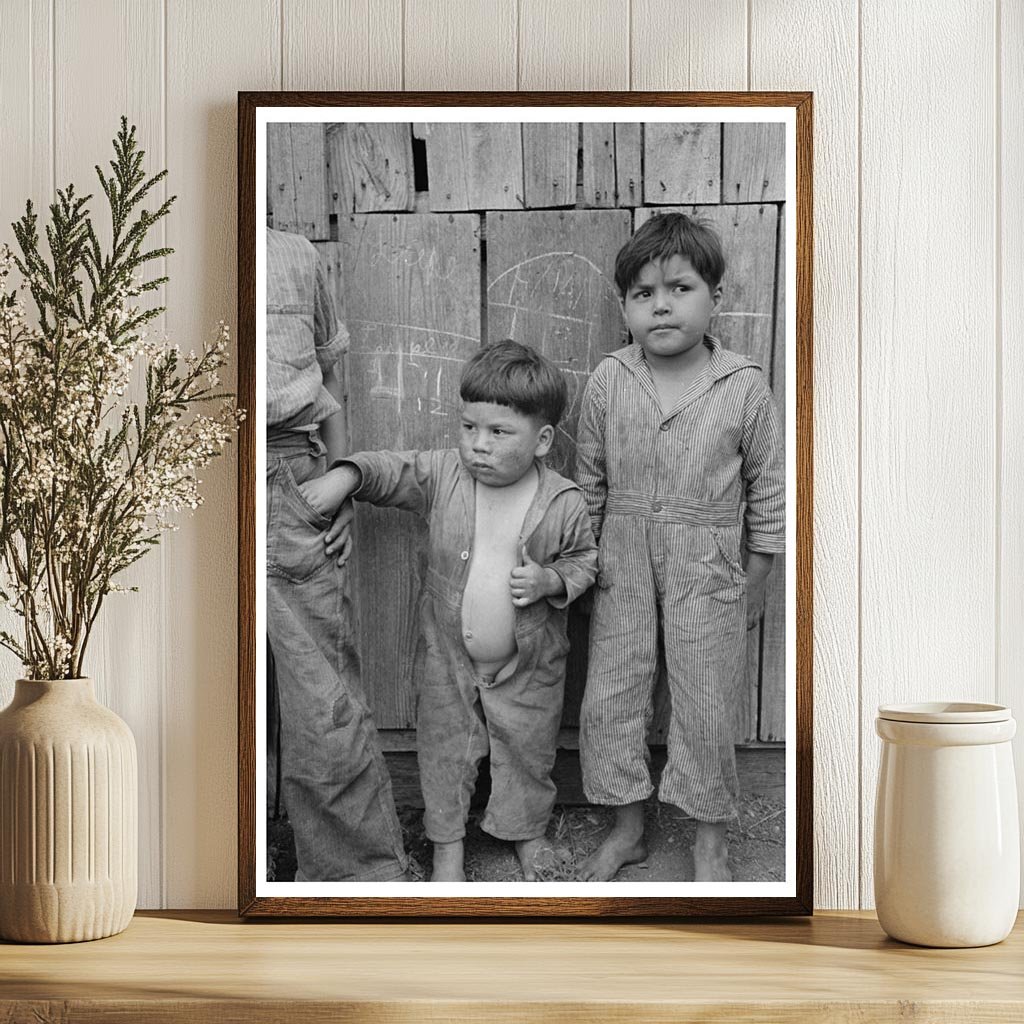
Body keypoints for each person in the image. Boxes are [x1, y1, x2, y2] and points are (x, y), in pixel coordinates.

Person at [304, 340, 598, 881]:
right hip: (447, 658)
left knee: (528, 754)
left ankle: (524, 833)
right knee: (444, 755)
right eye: (469, 428)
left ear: (542, 440)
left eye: (498, 433)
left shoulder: (564, 501)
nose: (478, 445)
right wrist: (344, 477)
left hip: (530, 665)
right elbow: (387, 470)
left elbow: (585, 562)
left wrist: (551, 579)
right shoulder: (444, 475)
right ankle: (448, 851)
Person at [575, 212, 785, 882]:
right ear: (624, 308)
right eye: (643, 294)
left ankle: (710, 842)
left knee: (705, 701)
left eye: (680, 287)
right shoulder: (611, 378)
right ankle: (628, 827)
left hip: (709, 561)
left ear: (715, 297)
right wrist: (585, 565)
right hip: (621, 556)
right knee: (613, 694)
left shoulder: (742, 384)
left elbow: (769, 489)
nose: (661, 304)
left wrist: (755, 577)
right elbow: (588, 482)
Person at [265, 225, 408, 882]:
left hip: (289, 477)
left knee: (318, 690)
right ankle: (350, 878)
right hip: (245, 472)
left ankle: (354, 877)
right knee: (314, 691)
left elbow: (329, 370)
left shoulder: (292, 253)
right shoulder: (290, 251)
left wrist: (342, 484)